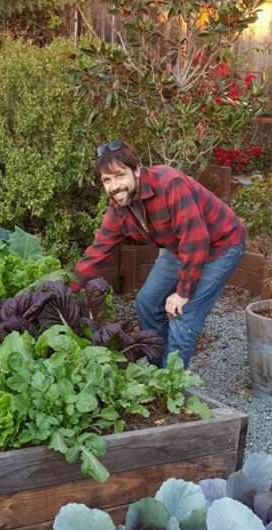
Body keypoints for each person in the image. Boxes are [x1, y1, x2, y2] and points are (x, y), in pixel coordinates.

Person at [70, 139, 246, 367]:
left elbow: (196, 239)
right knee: (146, 302)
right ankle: (157, 369)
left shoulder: (169, 184)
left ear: (136, 171)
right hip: (179, 247)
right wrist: (68, 288)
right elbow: (98, 251)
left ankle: (171, 382)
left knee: (183, 314)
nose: (115, 186)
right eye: (107, 180)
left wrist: (182, 292)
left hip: (221, 245)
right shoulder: (119, 209)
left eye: (120, 175)